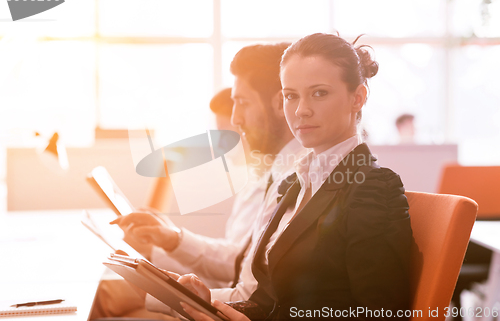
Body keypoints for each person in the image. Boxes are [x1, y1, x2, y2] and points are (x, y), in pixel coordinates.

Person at [180, 33, 413, 321]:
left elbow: (382, 314)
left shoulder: (373, 188)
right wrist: (204, 302)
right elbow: (267, 299)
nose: (301, 110)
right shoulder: (294, 183)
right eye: (291, 95)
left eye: (319, 93)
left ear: (358, 98)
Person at [91, 43, 307, 319]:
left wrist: (169, 280)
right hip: (220, 299)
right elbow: (241, 261)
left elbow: (247, 291)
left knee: (105, 300)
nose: (235, 122)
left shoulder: (296, 181)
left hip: (223, 304)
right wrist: (170, 241)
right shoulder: (276, 176)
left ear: (280, 103)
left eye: (242, 103)